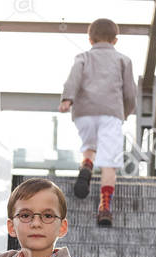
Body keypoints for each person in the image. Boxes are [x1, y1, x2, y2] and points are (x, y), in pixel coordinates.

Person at [59, 16, 137, 226]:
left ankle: (87, 163)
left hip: (84, 111)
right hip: (111, 112)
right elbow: (130, 93)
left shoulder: (82, 57)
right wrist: (125, 112)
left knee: (90, 144)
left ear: (90, 40)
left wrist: (68, 99)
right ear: (115, 40)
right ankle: (104, 207)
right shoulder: (123, 60)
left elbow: (74, 78)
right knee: (109, 162)